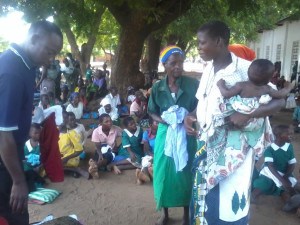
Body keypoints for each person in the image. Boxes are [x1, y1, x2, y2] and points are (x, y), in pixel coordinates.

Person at [184, 21, 285, 225]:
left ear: (219, 41)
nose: (198, 48)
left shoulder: (247, 70)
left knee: (230, 202)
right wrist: (191, 115)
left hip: (234, 151)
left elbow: (280, 100)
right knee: (204, 200)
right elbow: (202, 100)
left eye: (202, 43)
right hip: (205, 144)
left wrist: (249, 115)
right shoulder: (209, 69)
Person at [0, 20, 63, 225]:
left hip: (10, 153)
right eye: (49, 52)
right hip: (4, 158)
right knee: (13, 216)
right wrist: (18, 181)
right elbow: (4, 135)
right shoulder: (12, 72)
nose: (51, 59)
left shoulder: (25, 64)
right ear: (34, 39)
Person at [147, 45, 199, 225]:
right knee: (164, 172)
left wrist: (189, 116)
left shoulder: (193, 84)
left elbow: (202, 105)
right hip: (165, 132)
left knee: (186, 171)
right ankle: (165, 213)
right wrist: (164, 120)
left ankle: (186, 214)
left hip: (187, 131)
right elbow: (152, 111)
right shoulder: (157, 88)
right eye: (173, 63)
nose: (178, 66)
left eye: (181, 62)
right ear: (164, 65)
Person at [252, 125, 298, 204]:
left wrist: (286, 177)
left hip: (285, 173)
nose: (291, 136)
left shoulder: (289, 146)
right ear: (279, 136)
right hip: (269, 173)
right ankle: (251, 200)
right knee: (261, 185)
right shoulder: (269, 148)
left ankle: (291, 205)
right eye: (288, 134)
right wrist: (283, 180)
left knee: (286, 190)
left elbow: (292, 163)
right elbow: (270, 166)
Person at [88, 114, 123, 179]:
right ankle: (95, 167)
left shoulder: (116, 129)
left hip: (111, 151)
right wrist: (100, 154)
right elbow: (98, 146)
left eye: (110, 120)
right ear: (101, 123)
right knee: (98, 156)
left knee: (107, 157)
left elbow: (125, 136)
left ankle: (94, 167)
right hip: (100, 150)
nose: (109, 123)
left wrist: (119, 147)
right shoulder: (96, 131)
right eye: (106, 122)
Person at [58, 113, 89, 179]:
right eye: (60, 119)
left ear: (66, 121)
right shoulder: (54, 131)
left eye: (64, 119)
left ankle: (74, 170)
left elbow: (79, 149)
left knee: (55, 165)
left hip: (71, 155)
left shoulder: (72, 133)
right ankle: (74, 170)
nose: (62, 121)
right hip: (59, 155)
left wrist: (66, 158)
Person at [135, 118, 158, 185]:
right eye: (156, 123)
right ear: (151, 125)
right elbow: (147, 149)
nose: (159, 125)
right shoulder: (146, 133)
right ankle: (144, 176)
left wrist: (155, 157)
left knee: (151, 164)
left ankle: (140, 178)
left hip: (160, 154)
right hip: (150, 154)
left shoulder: (162, 133)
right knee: (146, 161)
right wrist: (152, 155)